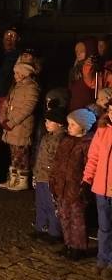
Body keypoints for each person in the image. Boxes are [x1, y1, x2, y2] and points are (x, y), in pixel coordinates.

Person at [50, 108, 97, 261]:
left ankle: (78, 247)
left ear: (83, 126)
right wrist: (54, 179)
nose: (68, 127)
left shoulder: (87, 144)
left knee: (77, 218)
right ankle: (68, 243)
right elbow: (57, 162)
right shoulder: (66, 141)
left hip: (76, 187)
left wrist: (85, 185)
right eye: (69, 124)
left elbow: (89, 165)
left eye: (72, 124)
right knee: (64, 216)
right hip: (62, 186)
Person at [0, 62, 40, 191]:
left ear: (24, 74)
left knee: (21, 153)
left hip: (21, 126)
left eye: (17, 73)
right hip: (13, 126)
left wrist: (12, 121)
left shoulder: (31, 87)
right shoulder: (18, 86)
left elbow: (27, 108)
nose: (15, 75)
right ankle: (13, 179)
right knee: (14, 153)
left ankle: (22, 180)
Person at [83, 101, 112, 278]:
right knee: (104, 228)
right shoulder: (102, 131)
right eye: (110, 110)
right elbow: (93, 157)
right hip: (101, 189)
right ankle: (102, 259)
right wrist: (87, 179)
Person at [31, 103, 67, 242]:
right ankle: (41, 227)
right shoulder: (47, 137)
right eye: (46, 121)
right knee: (41, 204)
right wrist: (36, 172)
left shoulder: (60, 139)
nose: (47, 123)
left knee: (53, 206)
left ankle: (54, 232)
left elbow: (57, 160)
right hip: (41, 176)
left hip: (50, 178)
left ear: (59, 123)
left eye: (50, 121)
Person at [68, 38, 99, 112]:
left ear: (90, 51)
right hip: (74, 109)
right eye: (76, 51)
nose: (78, 53)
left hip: (87, 110)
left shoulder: (93, 68)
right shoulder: (74, 70)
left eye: (82, 51)